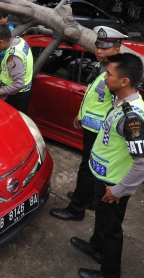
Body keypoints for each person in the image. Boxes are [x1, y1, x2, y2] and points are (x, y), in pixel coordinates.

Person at [71, 53, 144, 278]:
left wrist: (118, 190)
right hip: (103, 177)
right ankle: (96, 248)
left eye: (109, 74)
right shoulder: (121, 100)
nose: (104, 77)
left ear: (124, 81)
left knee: (111, 230)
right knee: (102, 220)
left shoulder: (133, 118)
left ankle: (109, 273)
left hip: (113, 185)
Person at [50, 26, 125, 221]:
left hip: (100, 132)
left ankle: (76, 209)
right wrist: (80, 114)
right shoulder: (104, 67)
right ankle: (89, 199)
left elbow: (118, 108)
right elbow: (95, 96)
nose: (99, 51)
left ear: (117, 50)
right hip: (91, 127)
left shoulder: (117, 74)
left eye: (105, 48)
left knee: (87, 169)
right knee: (89, 169)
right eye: (98, 46)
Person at [0, 25, 33, 113]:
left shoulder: (14, 57)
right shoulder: (20, 41)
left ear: (1, 42)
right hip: (20, 92)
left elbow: (19, 84)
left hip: (16, 96)